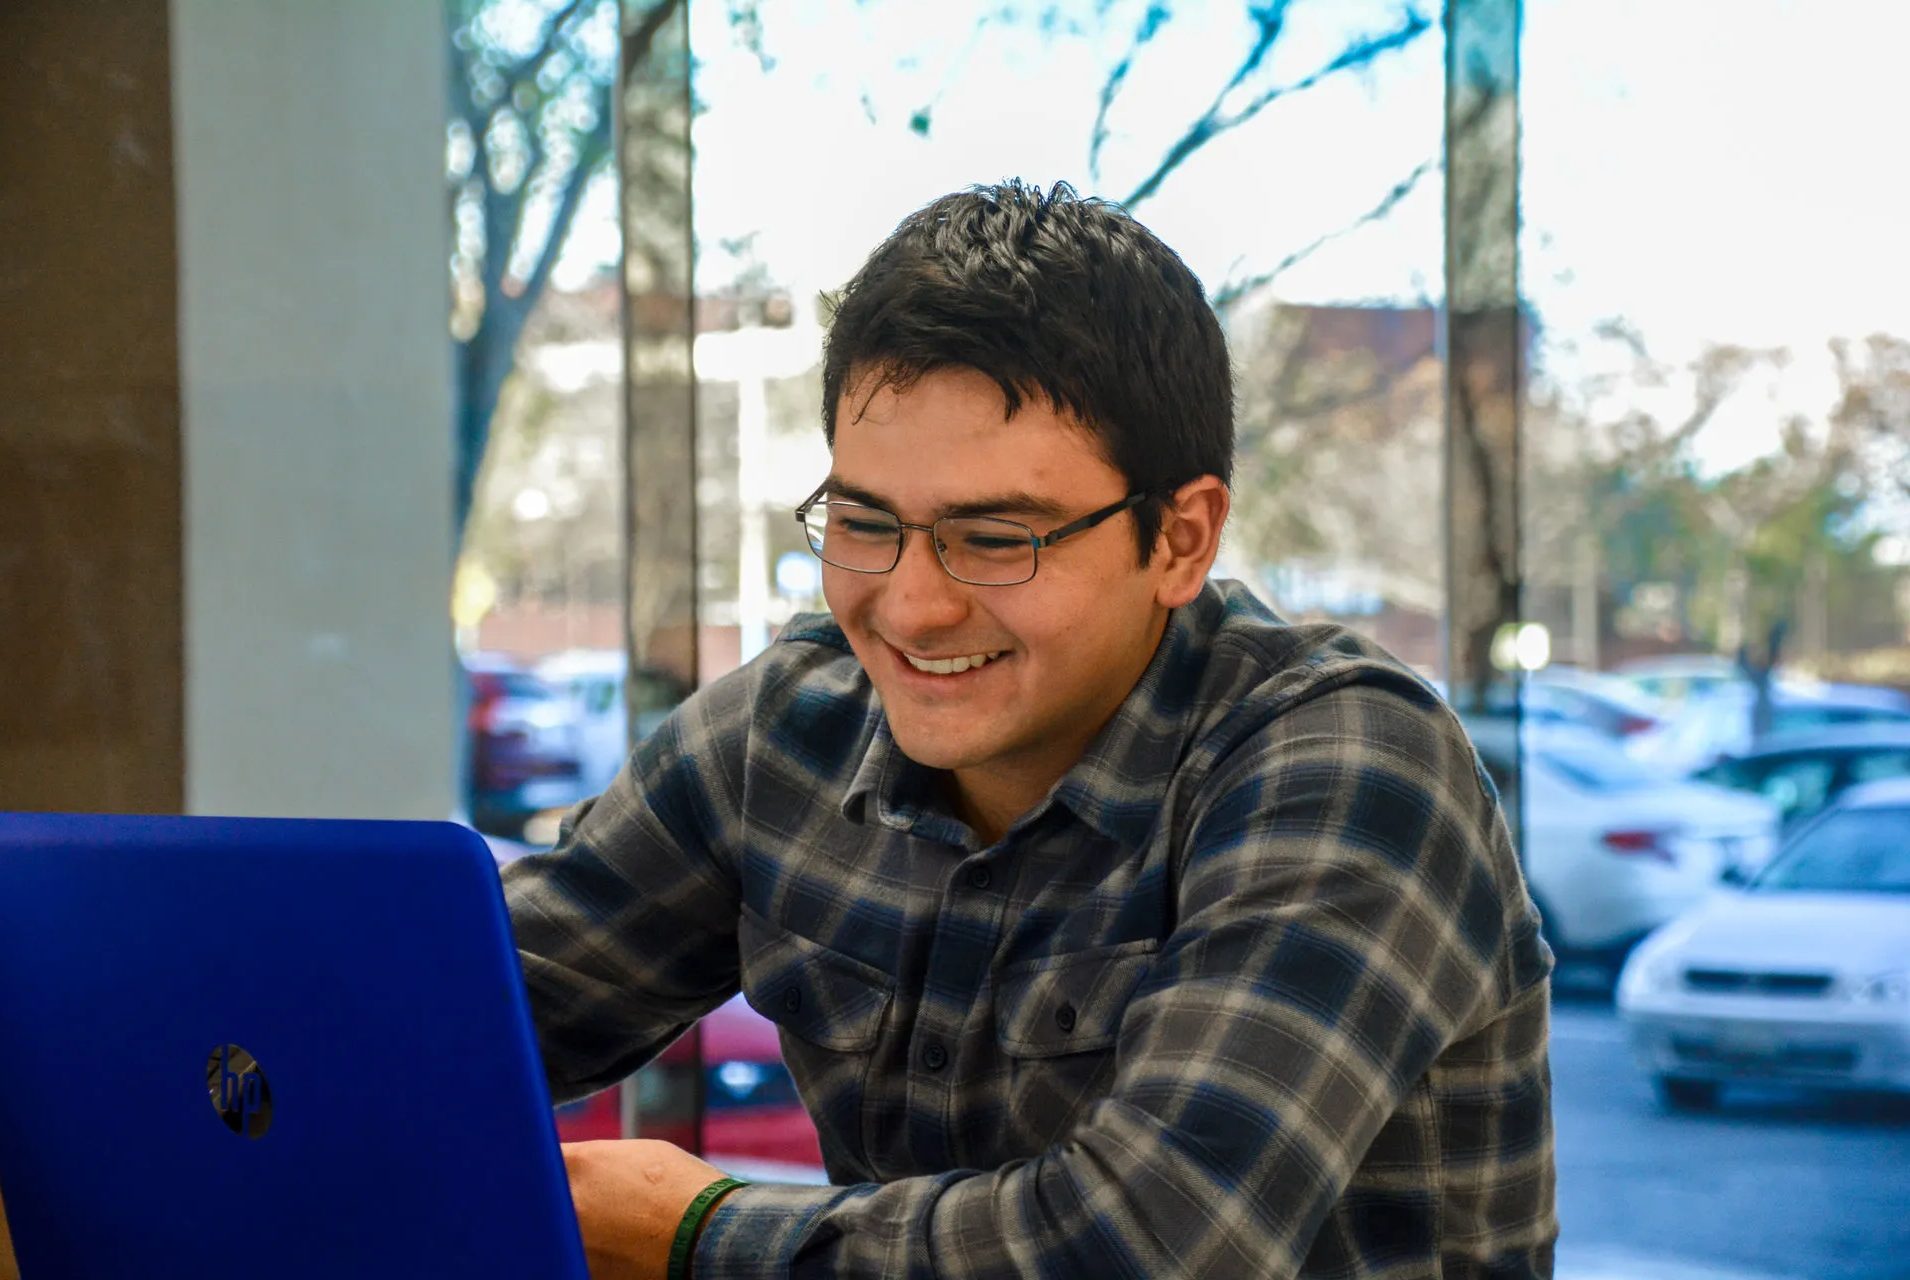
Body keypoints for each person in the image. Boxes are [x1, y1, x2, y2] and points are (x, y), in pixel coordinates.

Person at [502, 179, 1558, 1280]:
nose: (911, 605)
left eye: (997, 536)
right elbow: (449, 1017)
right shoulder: (787, 734)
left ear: (1181, 538)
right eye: (866, 522)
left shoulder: (1347, 763)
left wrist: (696, 1235)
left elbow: (1144, 1246)